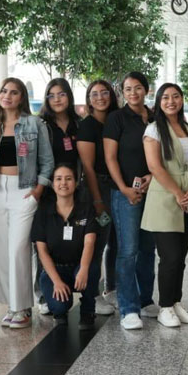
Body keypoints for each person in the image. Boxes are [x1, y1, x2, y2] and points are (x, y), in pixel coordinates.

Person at [0, 78, 53, 330]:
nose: (7, 96)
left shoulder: (35, 124)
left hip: (24, 191)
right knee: (1, 251)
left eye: (14, 92)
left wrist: (38, 190)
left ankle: (23, 307)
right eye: (4, 91)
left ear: (21, 97)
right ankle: (12, 305)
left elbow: (47, 161)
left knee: (18, 249)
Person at [141, 83, 188, 327]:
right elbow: (154, 166)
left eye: (176, 96)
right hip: (165, 198)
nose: (171, 101)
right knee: (170, 256)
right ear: (158, 101)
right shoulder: (154, 129)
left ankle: (175, 302)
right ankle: (165, 307)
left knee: (181, 257)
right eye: (165, 97)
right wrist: (178, 192)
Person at [103, 71, 158, 330]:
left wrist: (151, 178)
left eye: (138, 88)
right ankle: (128, 308)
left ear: (146, 90)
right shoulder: (117, 118)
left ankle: (146, 301)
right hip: (125, 194)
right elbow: (110, 158)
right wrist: (124, 189)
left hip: (154, 191)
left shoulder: (156, 118)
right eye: (127, 89)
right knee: (128, 250)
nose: (133, 93)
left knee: (148, 249)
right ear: (122, 93)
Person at [35, 77, 81, 315]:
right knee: (45, 242)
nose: (56, 99)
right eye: (51, 95)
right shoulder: (41, 124)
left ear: (69, 97)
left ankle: (81, 287)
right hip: (48, 191)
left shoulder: (78, 123)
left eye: (61, 94)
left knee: (75, 239)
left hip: (73, 191)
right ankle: (43, 292)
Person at [34, 164, 98, 330]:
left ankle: (88, 310)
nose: (63, 183)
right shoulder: (43, 212)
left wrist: (83, 269)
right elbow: (42, 251)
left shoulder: (85, 209)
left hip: (78, 266)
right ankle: (59, 311)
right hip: (55, 270)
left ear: (76, 183)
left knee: (92, 269)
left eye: (68, 178)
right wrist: (56, 281)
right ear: (53, 184)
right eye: (59, 179)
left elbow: (89, 242)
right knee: (60, 306)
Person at [77, 80, 119, 316]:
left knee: (117, 241)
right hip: (98, 189)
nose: (100, 97)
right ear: (89, 99)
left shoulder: (117, 120)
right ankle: (92, 294)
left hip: (118, 188)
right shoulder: (87, 126)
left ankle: (112, 289)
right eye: (94, 94)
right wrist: (97, 201)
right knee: (97, 242)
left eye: (104, 92)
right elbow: (88, 167)